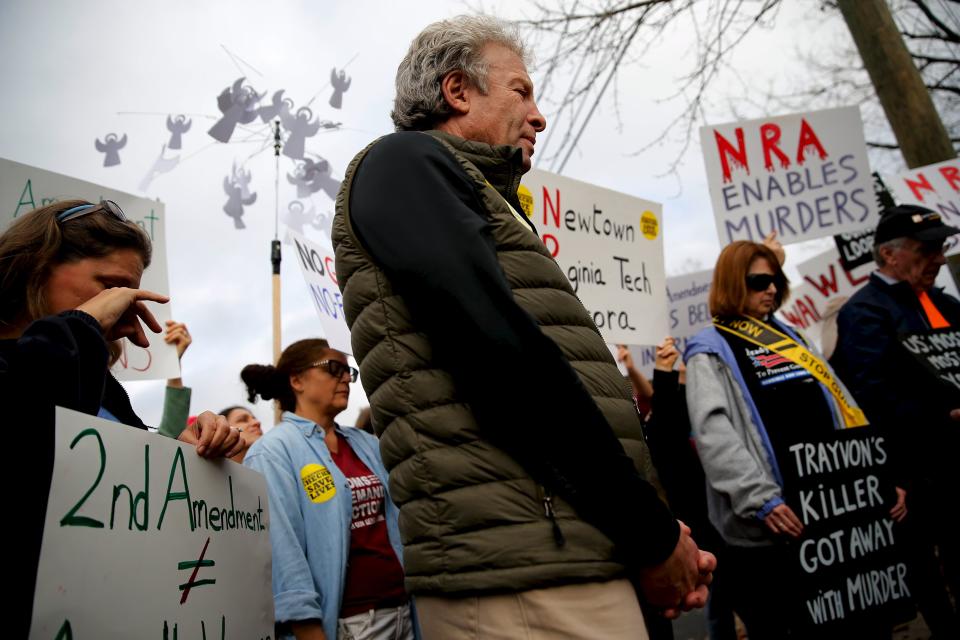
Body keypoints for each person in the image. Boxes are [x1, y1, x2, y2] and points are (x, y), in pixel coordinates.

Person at [332, 15, 714, 638]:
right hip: (524, 576)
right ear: (458, 91)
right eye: (521, 91)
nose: (539, 116)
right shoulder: (404, 162)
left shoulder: (479, 199)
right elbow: (504, 357)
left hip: (557, 554)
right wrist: (650, 532)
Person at [0, 199, 243, 637]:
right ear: (37, 266)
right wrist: (79, 327)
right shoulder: (43, 360)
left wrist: (184, 460)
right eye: (111, 288)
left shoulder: (103, 386)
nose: (122, 311)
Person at [683, 240, 903, 639]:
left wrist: (880, 478)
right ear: (734, 282)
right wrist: (759, 498)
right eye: (758, 280)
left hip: (831, 518)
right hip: (772, 529)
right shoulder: (709, 349)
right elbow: (715, 434)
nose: (770, 288)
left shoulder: (794, 338)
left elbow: (845, 407)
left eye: (775, 280)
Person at [830, 204, 960, 637]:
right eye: (928, 247)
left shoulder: (945, 304)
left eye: (942, 245)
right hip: (918, 482)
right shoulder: (864, 314)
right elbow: (872, 401)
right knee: (934, 584)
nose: (940, 257)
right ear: (890, 255)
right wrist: (944, 413)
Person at [242, 339, 411, 640]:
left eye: (349, 372)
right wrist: (308, 629)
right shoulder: (273, 452)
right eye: (334, 368)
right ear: (297, 380)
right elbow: (283, 550)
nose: (346, 378)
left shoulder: (367, 444)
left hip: (406, 612)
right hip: (349, 624)